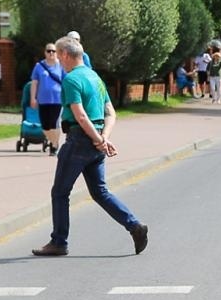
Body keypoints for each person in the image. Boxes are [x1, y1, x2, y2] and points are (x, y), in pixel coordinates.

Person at [31, 35, 149, 258]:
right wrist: (103, 138)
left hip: (79, 140)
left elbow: (81, 116)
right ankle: (134, 226)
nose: (58, 60)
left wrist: (97, 139)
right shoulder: (95, 78)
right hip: (94, 142)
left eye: (58, 55)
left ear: (65, 54)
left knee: (60, 192)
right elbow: (110, 113)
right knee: (100, 192)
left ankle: (59, 242)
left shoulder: (72, 79)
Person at [30, 42, 66, 155]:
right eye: (48, 51)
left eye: (53, 51)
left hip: (57, 100)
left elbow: (66, 82)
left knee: (55, 124)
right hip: (43, 100)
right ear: (45, 52)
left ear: (57, 53)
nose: (51, 53)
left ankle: (54, 146)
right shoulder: (39, 66)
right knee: (45, 126)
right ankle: (54, 142)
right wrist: (33, 98)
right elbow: (34, 83)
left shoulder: (61, 66)